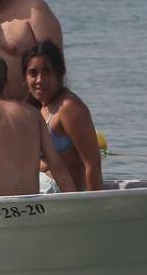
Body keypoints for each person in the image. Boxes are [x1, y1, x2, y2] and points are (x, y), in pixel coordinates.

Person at [0, 56, 74, 197]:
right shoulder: (33, 113)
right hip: (31, 203)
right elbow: (55, 163)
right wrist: (73, 199)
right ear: (6, 82)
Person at [24, 41, 105, 192]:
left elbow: (92, 164)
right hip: (39, 194)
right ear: (25, 77)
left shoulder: (69, 107)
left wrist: (93, 203)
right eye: (33, 73)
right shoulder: (39, 108)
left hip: (60, 195)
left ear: (60, 73)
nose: (39, 79)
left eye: (47, 72)